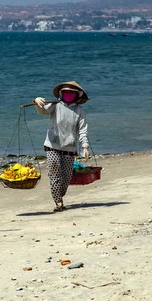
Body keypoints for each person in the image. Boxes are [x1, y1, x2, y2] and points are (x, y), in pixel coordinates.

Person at [34, 81, 90, 212]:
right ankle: (58, 201)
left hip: (69, 147)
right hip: (52, 144)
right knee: (54, 173)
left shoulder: (79, 111)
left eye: (71, 93)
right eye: (66, 92)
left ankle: (60, 194)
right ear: (61, 93)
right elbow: (42, 111)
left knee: (65, 177)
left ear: (77, 95)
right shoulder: (55, 105)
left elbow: (82, 130)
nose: (68, 94)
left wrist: (85, 146)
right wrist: (37, 101)